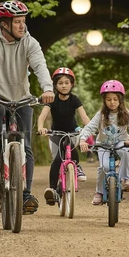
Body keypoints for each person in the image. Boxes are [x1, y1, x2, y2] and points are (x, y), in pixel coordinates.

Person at [0, 0, 55, 214]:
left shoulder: (30, 42)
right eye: (17, 21)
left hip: (21, 97)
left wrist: (47, 88)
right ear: (4, 23)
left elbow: (40, 66)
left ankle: (25, 193)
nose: (22, 26)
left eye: (23, 21)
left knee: (25, 146)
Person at [79, 80, 129, 206]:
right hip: (103, 145)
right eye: (108, 99)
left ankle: (127, 179)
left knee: (126, 153)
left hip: (120, 143)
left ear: (120, 100)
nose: (112, 102)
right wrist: (82, 139)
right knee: (104, 167)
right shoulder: (101, 115)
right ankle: (99, 192)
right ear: (104, 101)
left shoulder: (126, 114)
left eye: (115, 99)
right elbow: (90, 127)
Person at [37, 67, 91, 206]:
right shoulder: (52, 99)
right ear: (55, 85)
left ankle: (77, 166)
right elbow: (42, 116)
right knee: (56, 160)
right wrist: (41, 128)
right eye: (60, 83)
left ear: (72, 84)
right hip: (56, 134)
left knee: (71, 145)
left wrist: (90, 128)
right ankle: (52, 190)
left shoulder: (74, 99)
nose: (64, 85)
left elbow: (84, 116)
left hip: (72, 132)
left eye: (67, 82)